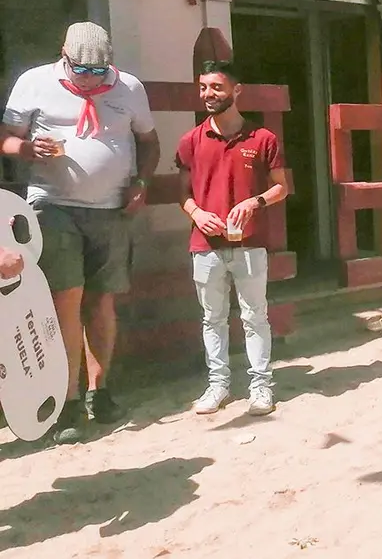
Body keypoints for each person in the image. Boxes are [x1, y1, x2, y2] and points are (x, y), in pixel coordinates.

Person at [0, 22, 161, 444]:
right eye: (81, 70)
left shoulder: (128, 87)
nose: (90, 79)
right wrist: (26, 150)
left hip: (111, 210)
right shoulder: (34, 83)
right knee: (64, 302)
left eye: (98, 71)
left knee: (101, 302)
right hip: (53, 206)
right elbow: (6, 139)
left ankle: (99, 390)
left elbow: (149, 142)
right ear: (63, 55)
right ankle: (67, 401)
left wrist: (141, 182)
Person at [175, 61, 289, 417]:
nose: (208, 94)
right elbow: (183, 194)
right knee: (213, 318)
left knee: (256, 316)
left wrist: (254, 202)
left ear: (236, 91)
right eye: (204, 87)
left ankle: (261, 387)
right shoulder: (190, 141)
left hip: (250, 243)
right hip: (205, 246)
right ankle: (218, 385)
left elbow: (283, 187)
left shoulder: (263, 138)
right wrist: (196, 213)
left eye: (217, 88)